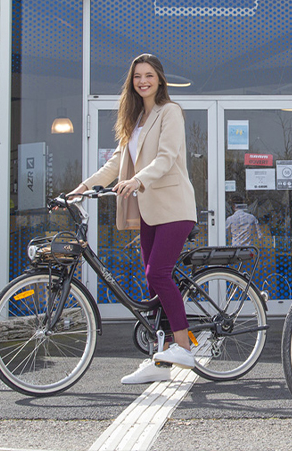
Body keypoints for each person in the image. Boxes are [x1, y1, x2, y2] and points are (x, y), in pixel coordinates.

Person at [68, 53, 198, 385]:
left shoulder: (170, 112)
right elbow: (114, 164)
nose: (143, 81)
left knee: (158, 274)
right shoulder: (136, 120)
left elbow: (167, 158)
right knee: (153, 284)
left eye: (149, 75)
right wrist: (82, 187)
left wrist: (138, 180)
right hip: (149, 212)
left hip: (174, 208)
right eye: (138, 76)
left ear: (160, 79)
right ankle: (160, 358)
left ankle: (182, 346)